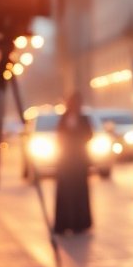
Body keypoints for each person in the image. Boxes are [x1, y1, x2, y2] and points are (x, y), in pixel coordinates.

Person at [53, 96, 93, 234]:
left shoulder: (83, 119)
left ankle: (80, 223)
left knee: (79, 192)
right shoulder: (64, 119)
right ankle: (64, 223)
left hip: (79, 160)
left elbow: (89, 135)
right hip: (66, 161)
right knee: (65, 192)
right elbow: (59, 136)